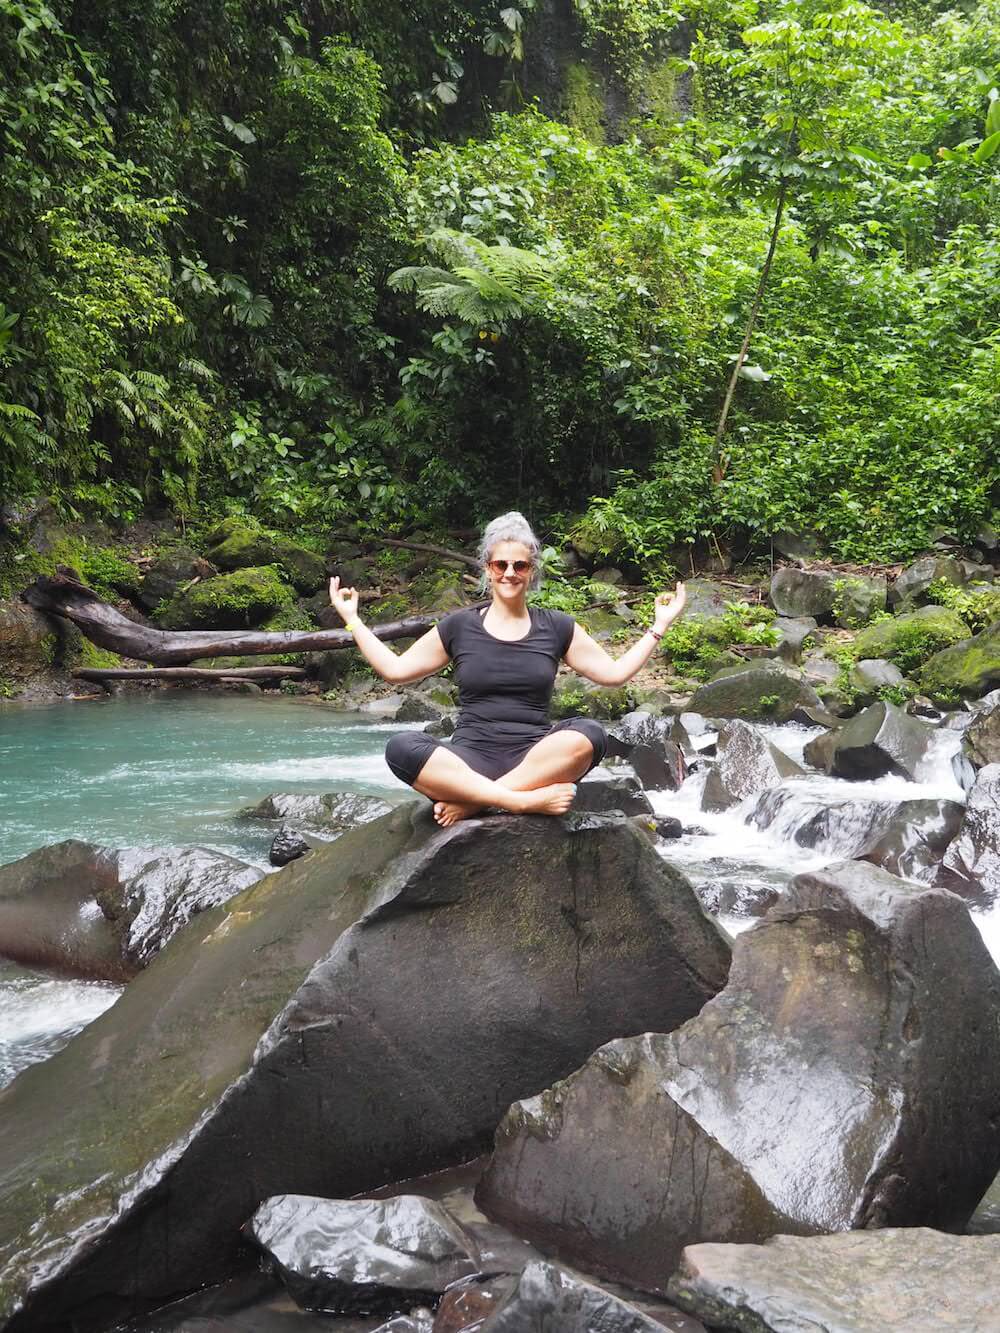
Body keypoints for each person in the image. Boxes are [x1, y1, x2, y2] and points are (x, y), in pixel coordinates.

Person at [329, 511, 686, 827]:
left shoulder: (557, 626)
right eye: (501, 565)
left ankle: (475, 802)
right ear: (488, 568)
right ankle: (518, 800)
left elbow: (614, 674)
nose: (510, 573)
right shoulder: (459, 626)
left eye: (520, 566)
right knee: (401, 747)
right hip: (468, 761)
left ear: (532, 571)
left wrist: (660, 625)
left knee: (591, 734)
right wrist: (352, 620)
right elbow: (395, 670)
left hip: (536, 759)